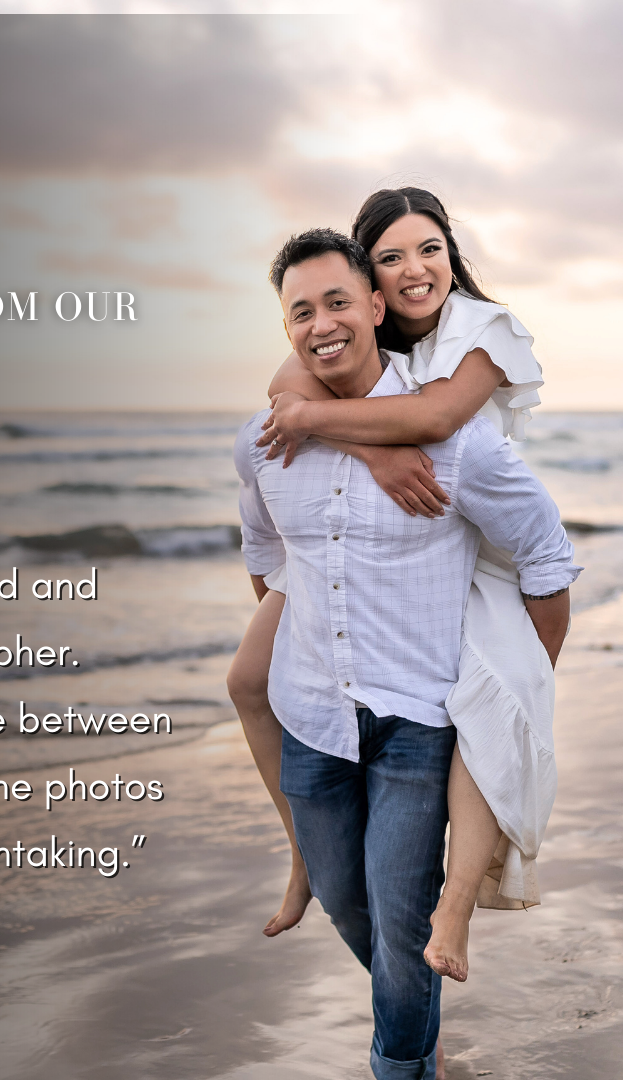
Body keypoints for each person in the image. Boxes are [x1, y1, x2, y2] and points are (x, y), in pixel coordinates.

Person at [234, 227, 578, 1080]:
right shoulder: (263, 442)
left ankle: (403, 1066)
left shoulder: (459, 442)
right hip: (312, 718)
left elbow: (545, 554)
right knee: (351, 910)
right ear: (285, 329)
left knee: (401, 923)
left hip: (415, 727)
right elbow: (266, 555)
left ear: (377, 307)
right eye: (301, 311)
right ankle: (409, 1015)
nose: (322, 325)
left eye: (339, 302)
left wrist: (524, 682)